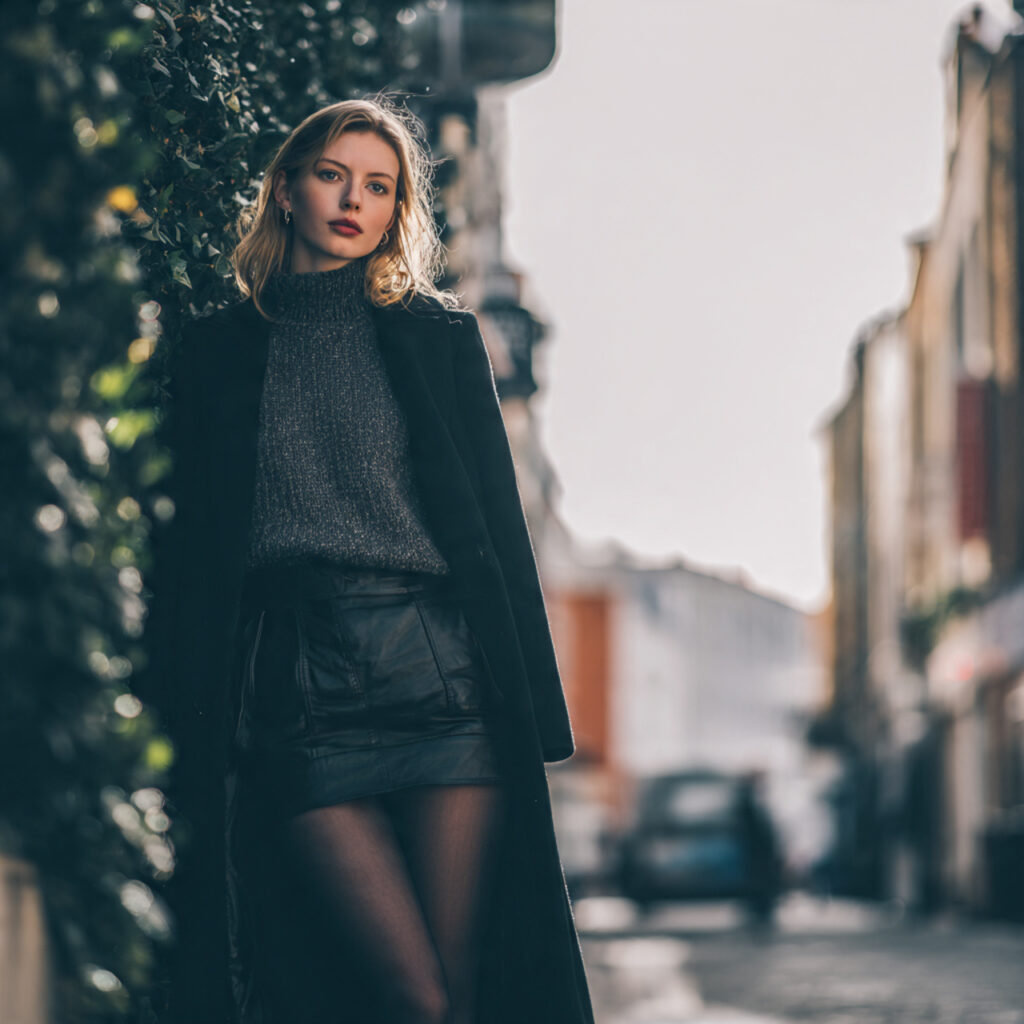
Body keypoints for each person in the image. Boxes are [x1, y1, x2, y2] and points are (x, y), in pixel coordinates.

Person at [147, 96, 595, 1024]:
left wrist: (538, 720)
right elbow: (188, 550)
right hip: (300, 693)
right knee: (409, 996)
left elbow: (499, 539)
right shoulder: (213, 353)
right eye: (332, 176)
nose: (354, 201)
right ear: (285, 189)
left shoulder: (440, 339)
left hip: (441, 678)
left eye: (379, 186)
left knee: (459, 993)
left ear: (399, 210)